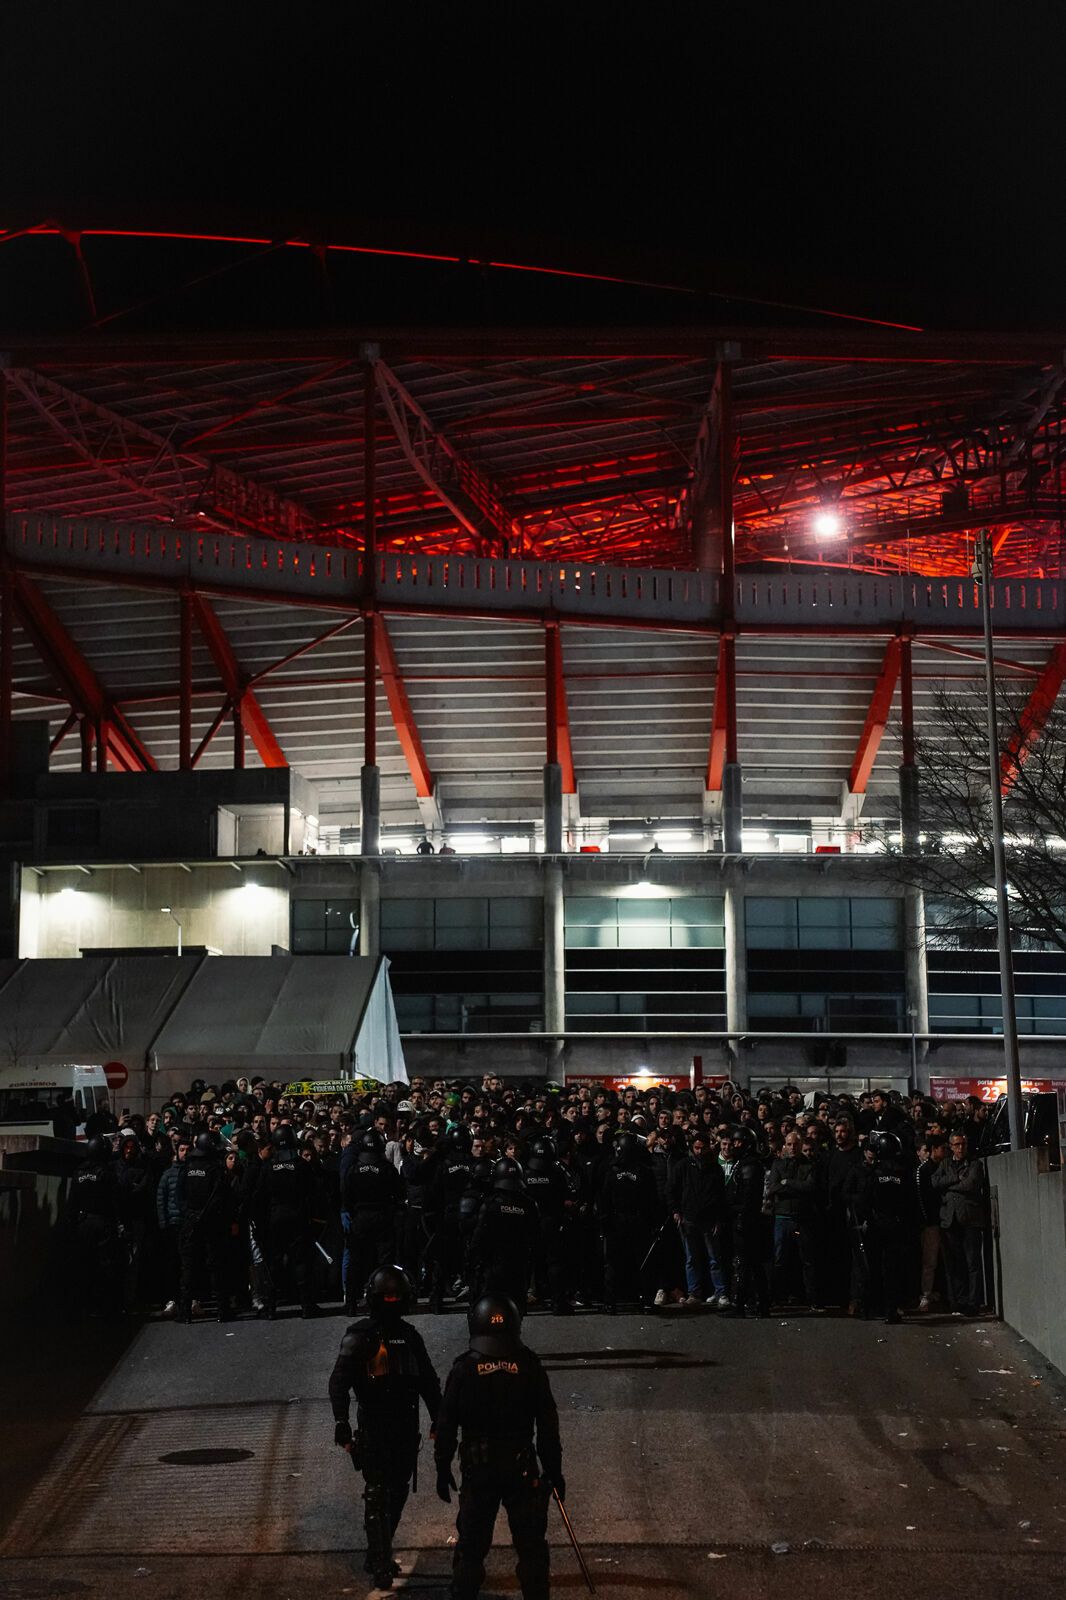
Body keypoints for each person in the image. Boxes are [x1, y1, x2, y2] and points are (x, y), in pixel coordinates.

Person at [435, 1292, 562, 1600]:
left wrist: (442, 1466)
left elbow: (447, 1423)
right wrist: (554, 1470)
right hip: (521, 1466)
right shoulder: (529, 1365)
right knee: (531, 1549)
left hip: (479, 1471)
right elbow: (547, 1423)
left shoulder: (464, 1369)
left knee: (471, 1551)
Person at [329, 1264, 442, 1591]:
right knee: (379, 1491)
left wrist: (439, 1417)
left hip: (401, 1425)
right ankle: (379, 1559)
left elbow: (428, 1383)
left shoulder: (406, 1337)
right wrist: (341, 1422)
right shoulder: (366, 1336)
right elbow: (340, 1383)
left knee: (396, 1489)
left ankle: (378, 1551)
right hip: (380, 1423)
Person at [341, 1128, 404, 1314]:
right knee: (384, 1262)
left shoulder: (353, 1170)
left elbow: (346, 1196)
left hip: (359, 1219)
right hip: (382, 1218)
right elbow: (399, 1193)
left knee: (356, 1261)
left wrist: (350, 1213)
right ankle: (385, 1299)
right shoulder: (387, 1169)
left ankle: (351, 1303)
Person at [178, 1132, 236, 1322]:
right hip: (212, 1224)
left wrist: (190, 1215)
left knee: (189, 1267)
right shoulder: (215, 1169)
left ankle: (185, 1312)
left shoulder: (187, 1167)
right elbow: (223, 1196)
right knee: (217, 1266)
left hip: (191, 1221)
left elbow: (180, 1195)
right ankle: (222, 1310)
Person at [66, 1136, 123, 1318]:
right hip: (103, 1222)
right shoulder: (106, 1173)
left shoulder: (78, 1172)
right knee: (106, 1265)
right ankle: (107, 1308)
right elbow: (115, 1201)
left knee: (83, 1265)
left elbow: (72, 1202)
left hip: (82, 1223)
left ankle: (83, 1306)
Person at [669, 1132, 727, 1307]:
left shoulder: (715, 1168)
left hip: (709, 1219)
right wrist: (676, 1211)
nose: (700, 1151)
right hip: (689, 1218)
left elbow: (720, 1195)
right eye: (697, 1148)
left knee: (714, 1257)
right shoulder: (683, 1166)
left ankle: (720, 1291)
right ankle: (694, 1292)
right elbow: (672, 1189)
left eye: (703, 1148)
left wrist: (718, 1218)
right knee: (692, 1258)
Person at [933, 1130, 988, 1315]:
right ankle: (959, 1300)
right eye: (957, 1145)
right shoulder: (946, 1164)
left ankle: (973, 1302)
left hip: (970, 1219)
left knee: (972, 1262)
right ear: (951, 1146)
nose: (960, 1148)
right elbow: (935, 1182)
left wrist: (949, 1186)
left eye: (963, 1144)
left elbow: (971, 1184)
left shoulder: (975, 1164)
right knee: (955, 1263)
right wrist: (955, 1179)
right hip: (950, 1219)